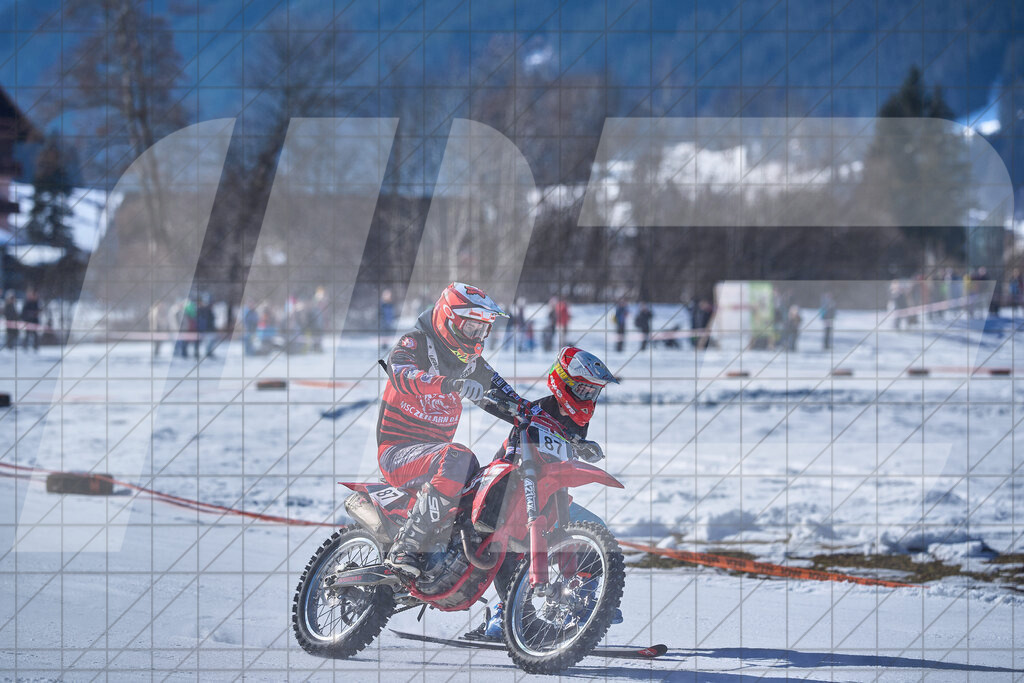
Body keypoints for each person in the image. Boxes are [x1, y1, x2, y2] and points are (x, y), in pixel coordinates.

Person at [464, 346, 623, 641]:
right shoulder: (536, 410)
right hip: (512, 494)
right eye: (583, 389)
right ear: (563, 382)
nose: (588, 398)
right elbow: (510, 453)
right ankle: (505, 611)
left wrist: (580, 446)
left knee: (595, 528)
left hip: (551, 501)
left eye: (593, 391)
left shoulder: (578, 422)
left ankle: (589, 599)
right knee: (512, 543)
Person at [377, 282, 528, 578]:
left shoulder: (470, 363)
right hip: (398, 452)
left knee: (490, 484)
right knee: (460, 457)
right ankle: (406, 547)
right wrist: (449, 382)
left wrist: (552, 424)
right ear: (449, 319)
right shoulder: (416, 343)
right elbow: (400, 373)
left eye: (484, 330)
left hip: (435, 458)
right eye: (472, 327)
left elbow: (510, 398)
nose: (478, 337)